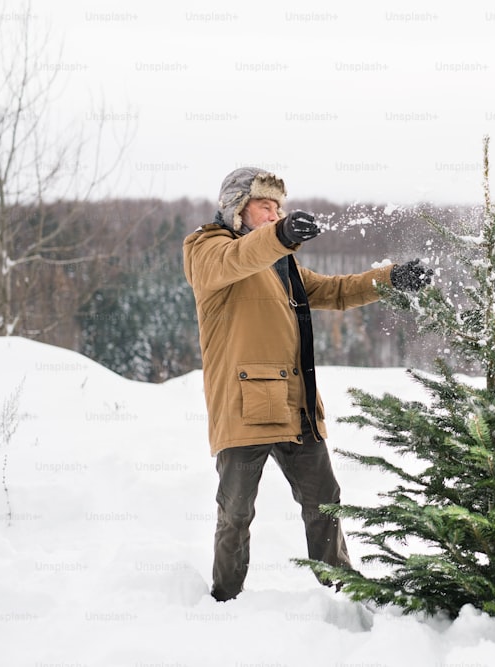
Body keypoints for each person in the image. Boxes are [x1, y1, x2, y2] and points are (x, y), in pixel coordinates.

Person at [183, 167, 432, 602]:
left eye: (278, 207)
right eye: (266, 205)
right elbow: (238, 259)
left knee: (325, 501)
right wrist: (280, 233)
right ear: (238, 208)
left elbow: (336, 291)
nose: (274, 212)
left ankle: (341, 589)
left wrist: (391, 278)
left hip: (295, 404)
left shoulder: (282, 262)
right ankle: (225, 598)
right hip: (243, 406)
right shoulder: (207, 249)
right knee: (236, 511)